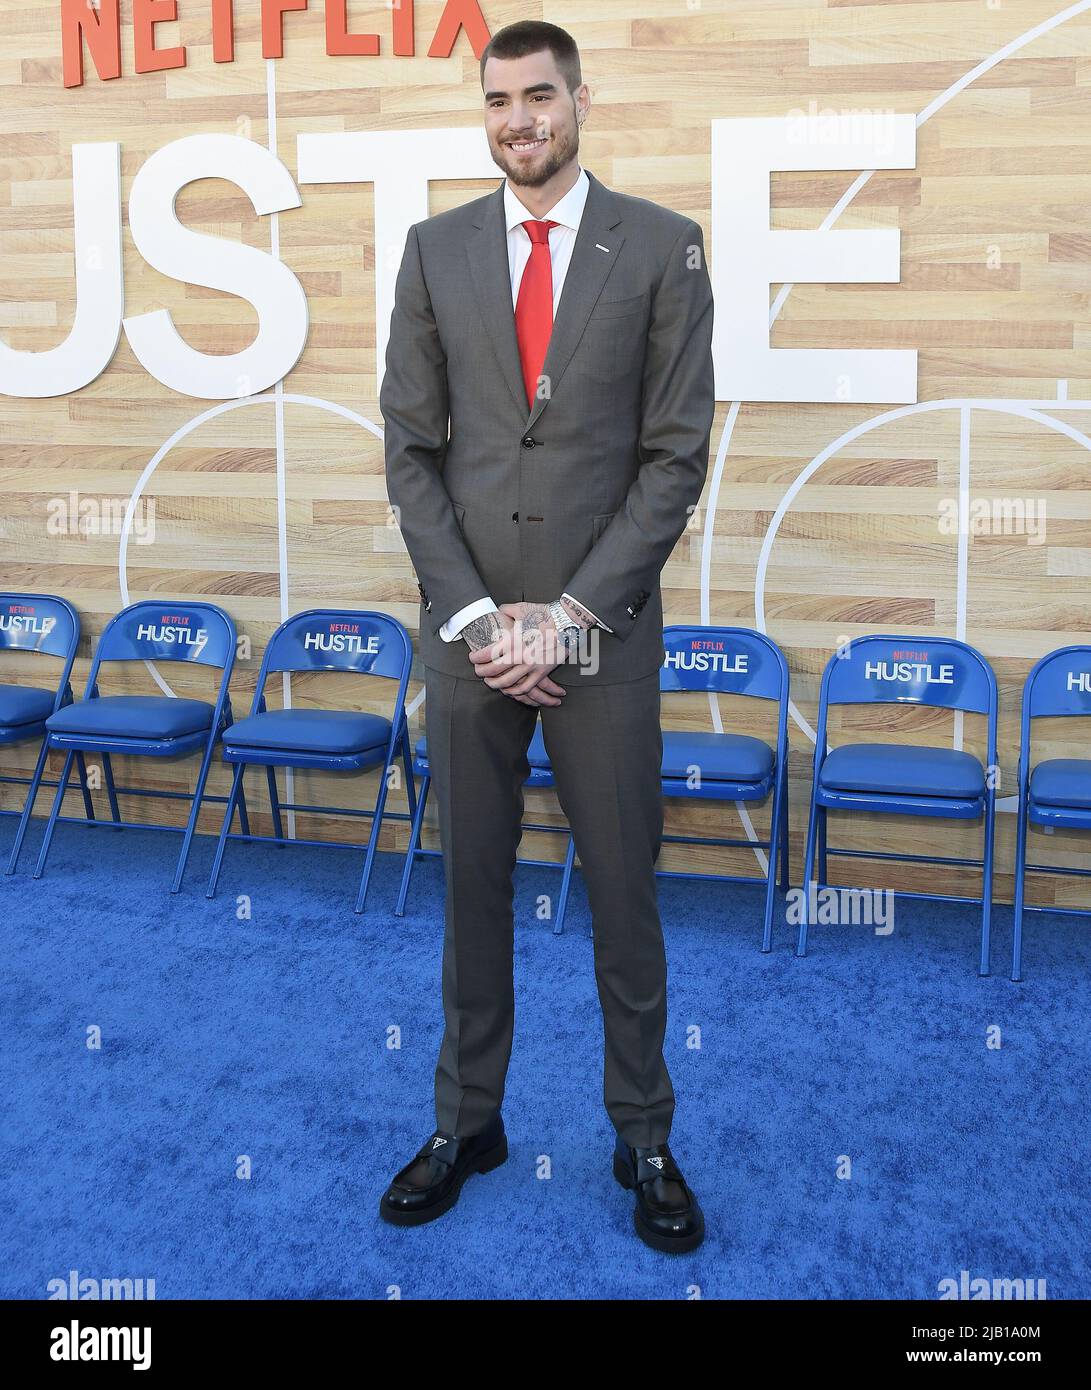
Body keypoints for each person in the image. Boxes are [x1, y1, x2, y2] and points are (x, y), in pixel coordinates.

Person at [379, 19, 715, 1253]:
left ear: (579, 98)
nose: (517, 120)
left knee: (623, 899)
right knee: (470, 890)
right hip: (468, 641)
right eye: (496, 101)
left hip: (601, 639)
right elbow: (411, 453)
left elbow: (674, 457)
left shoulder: (664, 250)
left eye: (537, 96)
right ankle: (467, 1120)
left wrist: (567, 619)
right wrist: (478, 616)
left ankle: (644, 1137)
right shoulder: (433, 251)